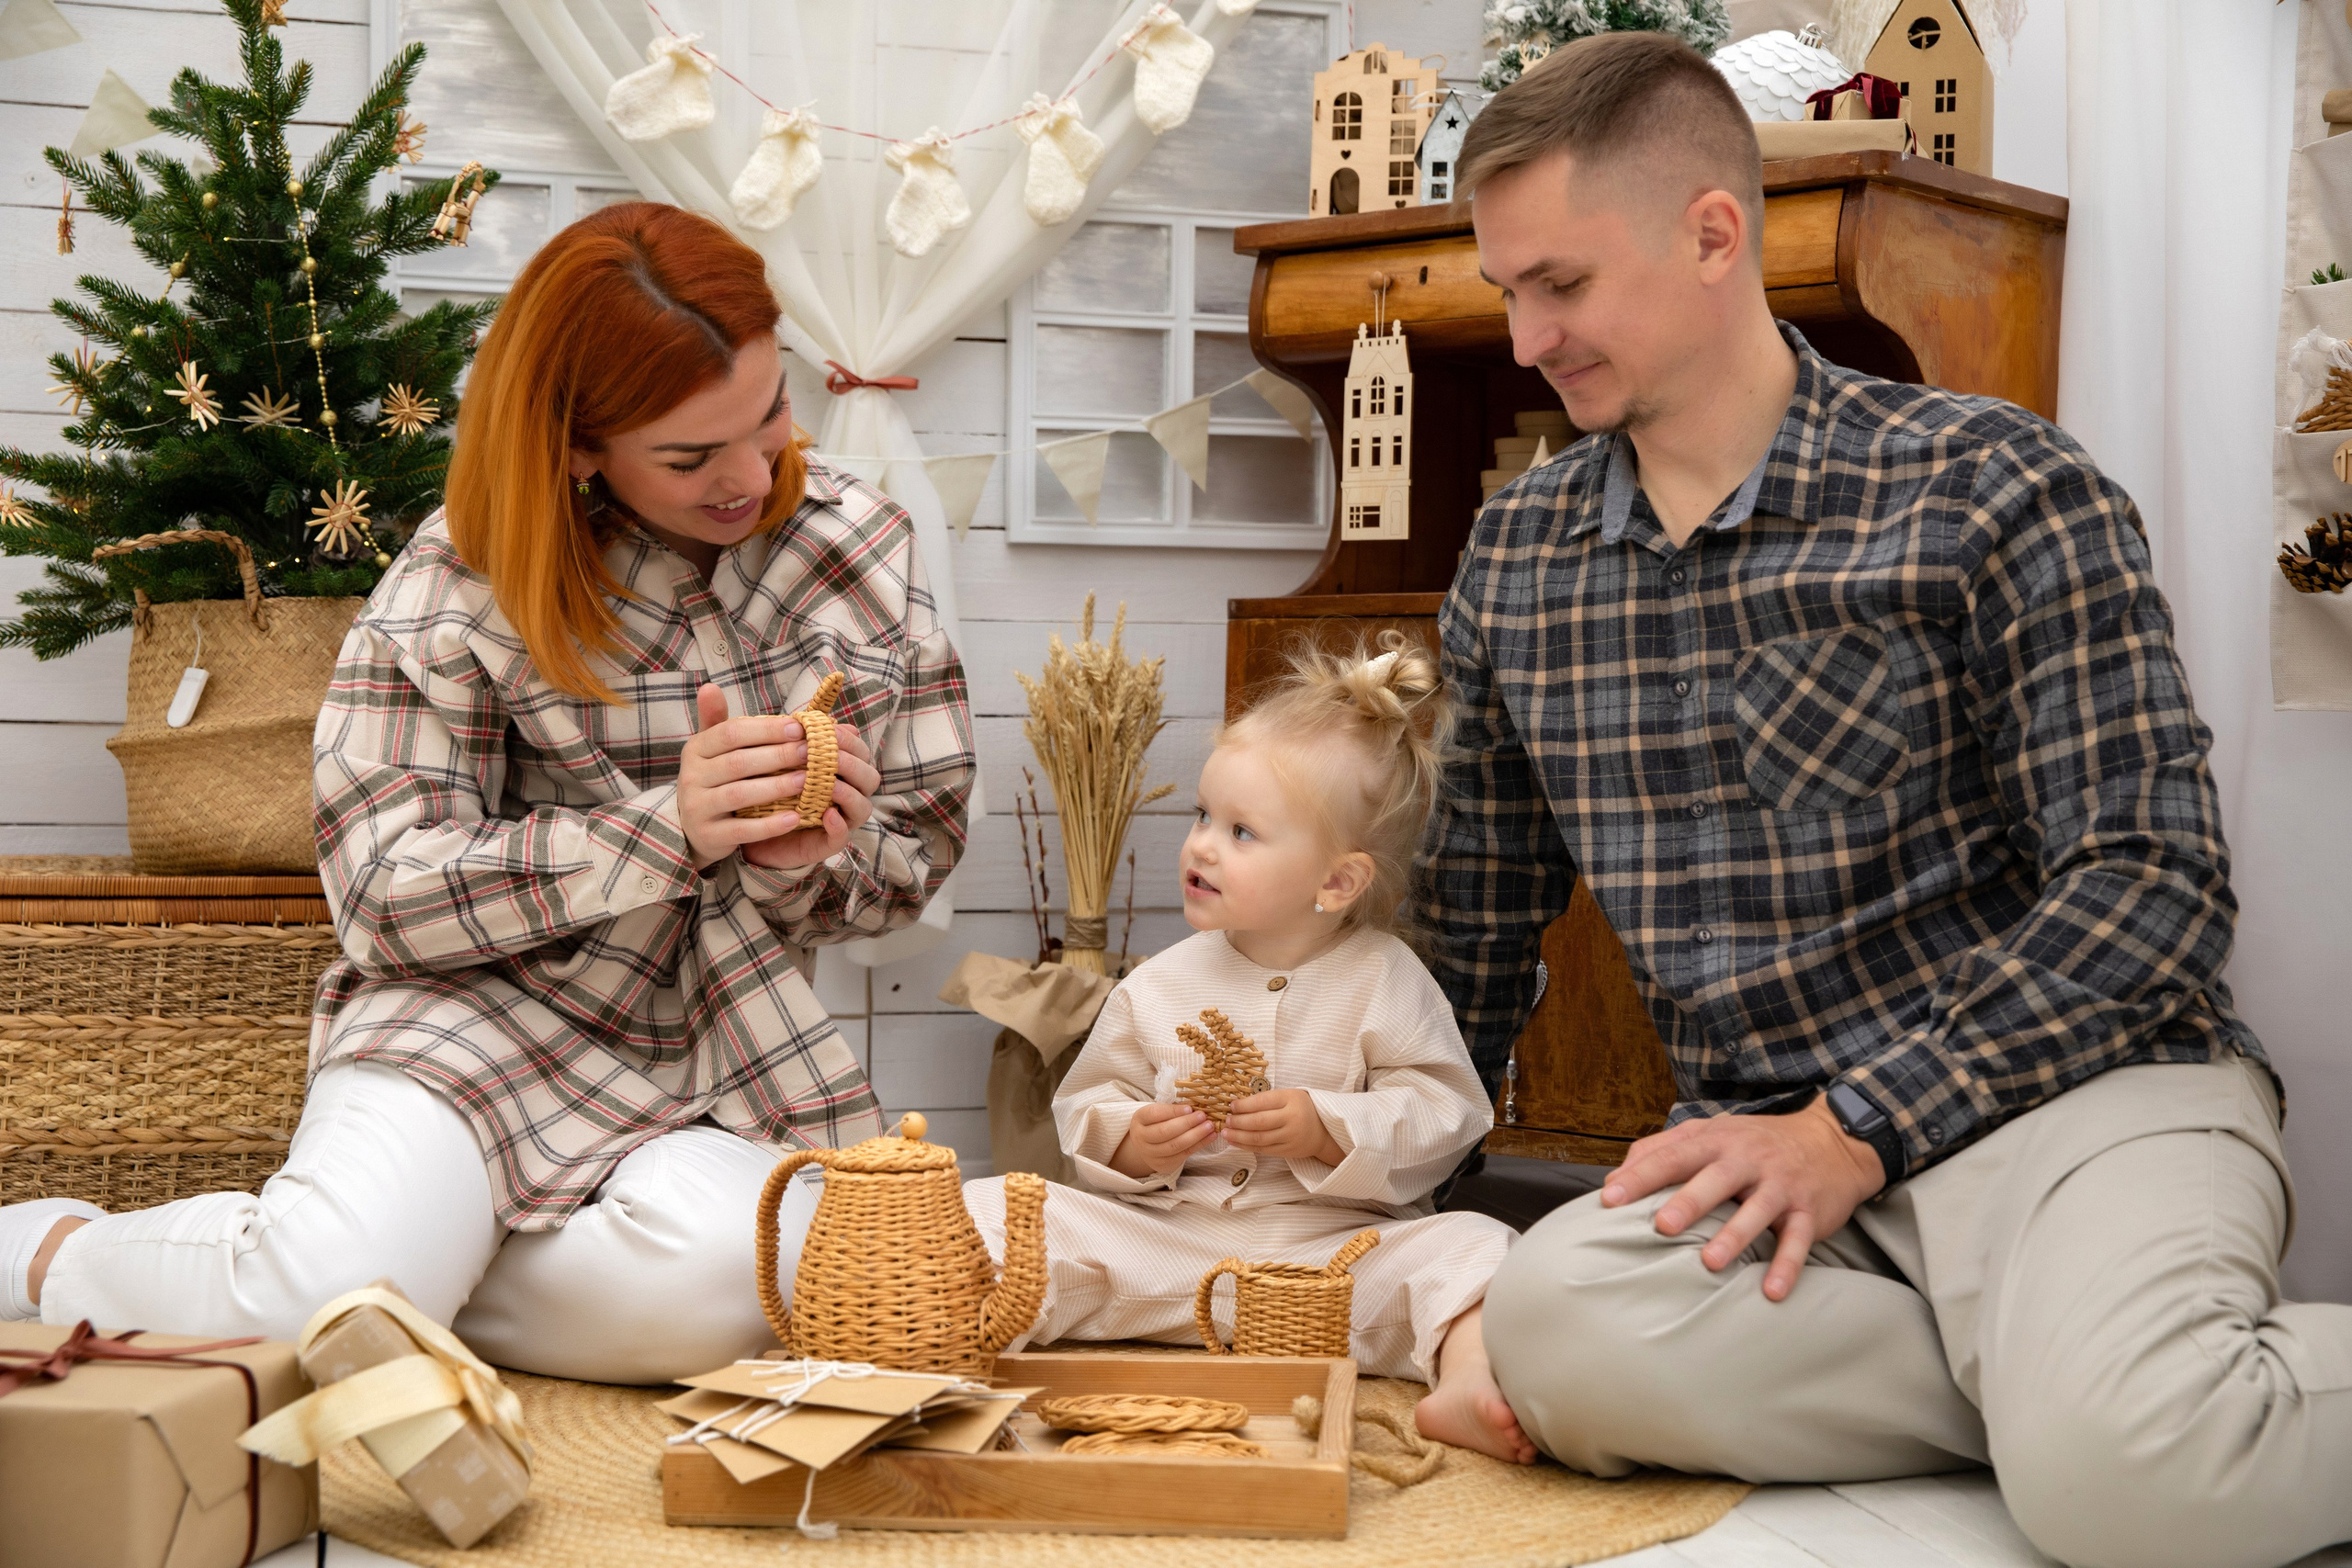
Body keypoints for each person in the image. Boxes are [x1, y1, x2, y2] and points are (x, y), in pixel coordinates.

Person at [1417, 31, 2352, 1568]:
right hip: (1769, 1160)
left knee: (2136, 1490)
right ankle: (2066, 1391)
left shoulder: (1997, 485)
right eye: (1508, 289)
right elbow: (1470, 923)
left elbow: (2152, 885)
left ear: (1713, 234)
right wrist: (1388, 1185)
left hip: (2078, 1101)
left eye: (1562, 284)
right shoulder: (1518, 557)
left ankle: (2107, 1414)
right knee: (1551, 1319)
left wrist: (1858, 1126)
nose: (1526, 340)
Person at [0, 203, 975, 1384]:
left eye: (770, 413)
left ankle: (405, 1281)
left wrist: (800, 865)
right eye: (688, 457)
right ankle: (55, 1253)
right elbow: (380, 893)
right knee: (319, 1300)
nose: (751, 474)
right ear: (578, 446)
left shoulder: (859, 547)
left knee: (745, 1279)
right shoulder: (458, 577)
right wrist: (663, 830)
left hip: (715, 1052)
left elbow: (915, 850)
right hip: (468, 1020)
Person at [966, 633, 1531, 1461]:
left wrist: (1327, 1127)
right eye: (1202, 815)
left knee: (1479, 1245)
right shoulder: (1159, 983)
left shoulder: (1385, 978)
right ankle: (945, 1348)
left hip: (1333, 1262)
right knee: (997, 1207)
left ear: (1336, 881)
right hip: (1168, 1246)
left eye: (1241, 831)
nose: (1201, 844)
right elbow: (1089, 1103)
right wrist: (1135, 1140)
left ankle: (1468, 1383)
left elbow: (1447, 1114)